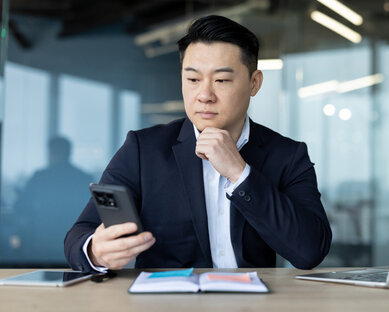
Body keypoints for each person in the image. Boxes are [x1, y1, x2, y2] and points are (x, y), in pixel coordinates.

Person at [64, 15, 332, 272]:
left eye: (221, 80)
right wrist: (95, 252)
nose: (204, 95)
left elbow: (310, 251)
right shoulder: (143, 150)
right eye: (192, 79)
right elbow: (80, 235)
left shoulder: (287, 155)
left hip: (252, 304)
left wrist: (240, 174)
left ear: (254, 83)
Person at [11, 137, 93, 264]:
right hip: (75, 243)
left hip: (42, 241)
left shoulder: (40, 176)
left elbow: (21, 206)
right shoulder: (83, 177)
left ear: (51, 152)